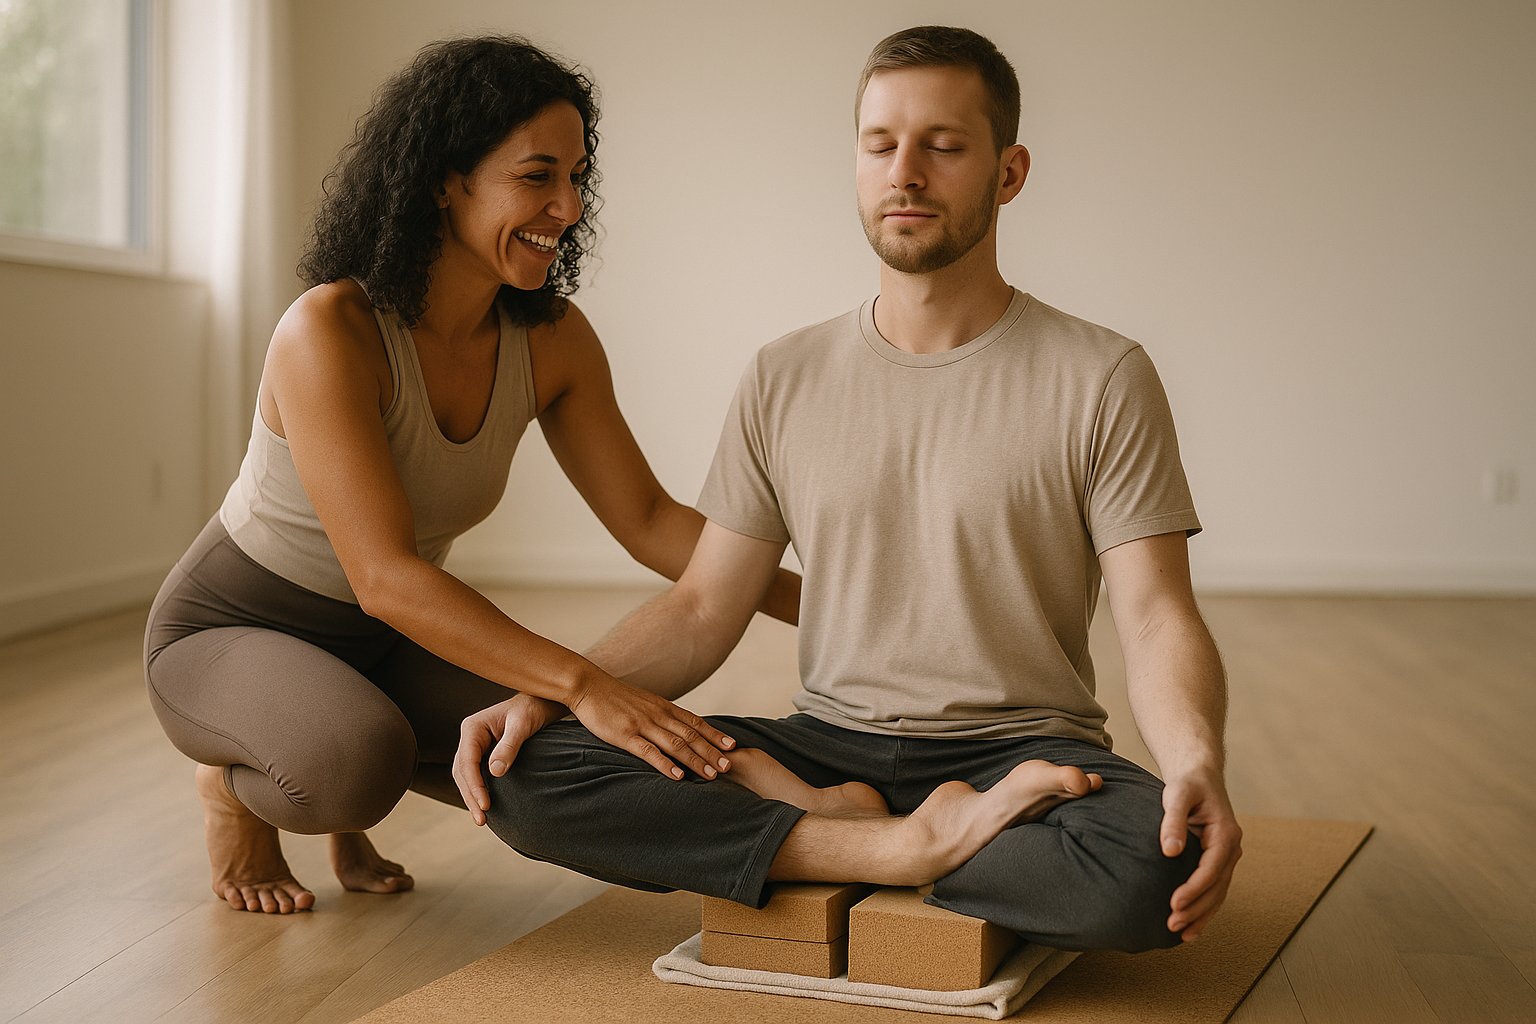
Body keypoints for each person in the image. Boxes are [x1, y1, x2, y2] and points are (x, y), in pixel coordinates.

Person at [454, 25, 1242, 952]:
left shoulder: (1102, 374)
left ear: (1010, 172)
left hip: (1021, 752)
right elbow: (706, 607)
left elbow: (1154, 615)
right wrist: (560, 695)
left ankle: (838, 838)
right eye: (880, 146)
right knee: (526, 769)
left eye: (943, 147)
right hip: (826, 746)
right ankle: (893, 845)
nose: (904, 172)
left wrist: (1197, 761)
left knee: (1155, 865)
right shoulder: (784, 374)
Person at [143, 35, 796, 915]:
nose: (566, 205)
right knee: (355, 763)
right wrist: (584, 679)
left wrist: (825, 598)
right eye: (537, 176)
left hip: (387, 643)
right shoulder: (330, 330)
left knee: (557, 742)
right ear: (448, 180)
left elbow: (649, 519)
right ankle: (233, 788)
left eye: (576, 176)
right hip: (231, 630)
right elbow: (384, 576)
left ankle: (333, 725)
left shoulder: (554, 339)